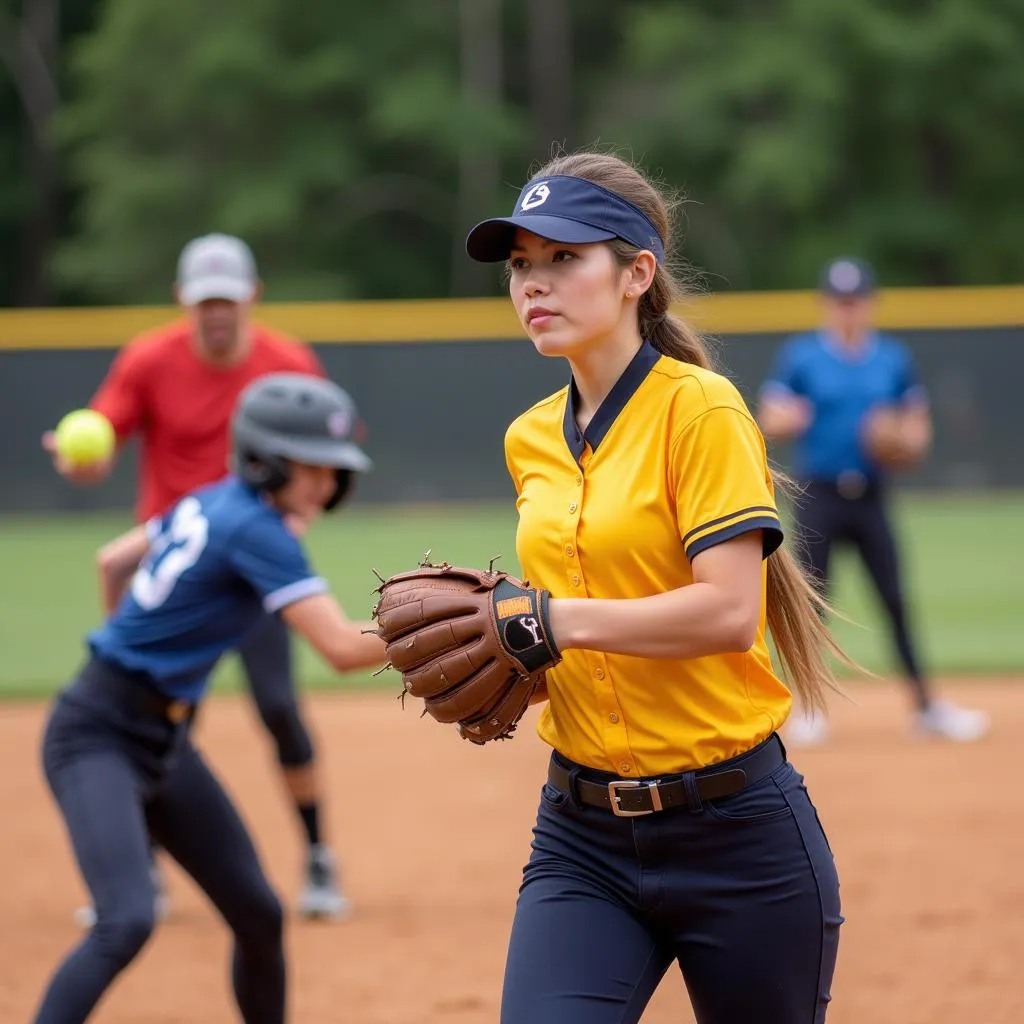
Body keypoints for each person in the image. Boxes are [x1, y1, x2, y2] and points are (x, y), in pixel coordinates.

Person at [459, 151, 846, 1023]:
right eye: (521, 263)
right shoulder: (529, 438)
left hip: (738, 835)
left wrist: (553, 623)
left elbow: (725, 610)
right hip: (582, 835)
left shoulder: (700, 410)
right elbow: (567, 605)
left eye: (564, 257)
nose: (534, 283)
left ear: (638, 273)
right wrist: (508, 651)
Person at [33, 373, 386, 1024]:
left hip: (157, 738)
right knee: (126, 920)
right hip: (96, 736)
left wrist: (129, 646)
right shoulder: (260, 532)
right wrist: (460, 631)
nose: (329, 482)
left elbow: (113, 561)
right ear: (267, 457)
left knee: (257, 913)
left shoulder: (214, 501)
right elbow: (339, 648)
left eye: (336, 468)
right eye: (315, 465)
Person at [42, 233, 353, 922]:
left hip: (258, 563)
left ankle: (318, 856)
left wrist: (293, 529)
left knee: (278, 707)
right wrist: (81, 462)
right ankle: (139, 869)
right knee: (164, 718)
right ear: (184, 300)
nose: (217, 313)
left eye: (228, 300)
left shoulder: (285, 363)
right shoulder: (149, 359)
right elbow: (102, 435)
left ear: (251, 298)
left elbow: (324, 457)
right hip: (179, 566)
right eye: (205, 300)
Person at [756, 257, 990, 747]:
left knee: (896, 601)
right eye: (840, 301)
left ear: (869, 304)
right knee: (811, 607)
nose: (848, 309)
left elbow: (917, 426)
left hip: (870, 495)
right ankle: (810, 711)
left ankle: (927, 708)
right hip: (818, 494)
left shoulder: (890, 358)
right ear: (826, 304)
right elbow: (771, 417)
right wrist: (792, 417)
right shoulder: (803, 357)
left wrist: (904, 438)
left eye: (856, 300)